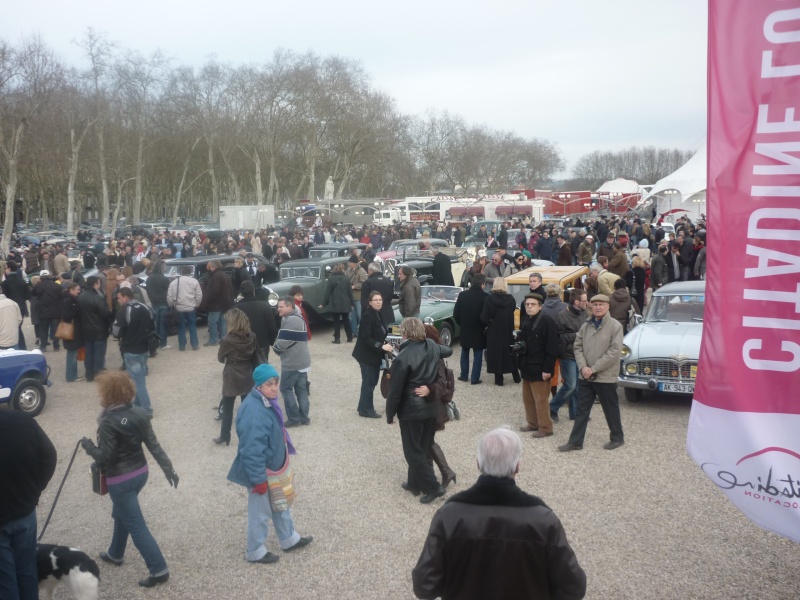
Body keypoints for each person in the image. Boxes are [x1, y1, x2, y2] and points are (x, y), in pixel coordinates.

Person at [412, 428, 586, 600]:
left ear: (478, 464)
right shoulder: (543, 520)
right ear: (517, 466)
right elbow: (574, 588)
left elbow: (425, 587)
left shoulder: (449, 515)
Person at [80, 371, 179, 588]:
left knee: (136, 524)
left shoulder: (107, 421)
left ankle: (158, 569)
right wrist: (168, 469)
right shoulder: (140, 413)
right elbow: (154, 445)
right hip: (140, 473)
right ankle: (116, 552)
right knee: (122, 513)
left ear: (107, 393)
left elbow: (107, 458)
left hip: (120, 480)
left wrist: (88, 447)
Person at [227, 363, 313, 564]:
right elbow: (251, 450)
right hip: (261, 471)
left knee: (280, 502)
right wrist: (258, 480)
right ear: (258, 386)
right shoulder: (254, 412)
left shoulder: (267, 401)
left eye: (276, 382)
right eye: (269, 384)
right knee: (260, 512)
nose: (274, 388)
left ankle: (288, 538)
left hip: (273, 468)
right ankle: (255, 550)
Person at [386, 317, 453, 504]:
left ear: (405, 333)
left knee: (412, 451)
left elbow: (395, 391)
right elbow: (448, 350)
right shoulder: (432, 346)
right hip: (430, 407)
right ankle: (414, 483)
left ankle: (433, 487)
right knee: (422, 447)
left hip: (412, 410)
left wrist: (390, 414)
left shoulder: (403, 357)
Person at [0, 410, 57, 600]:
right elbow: (49, 455)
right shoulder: (21, 419)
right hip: (25, 512)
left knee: (5, 581)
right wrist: (34, 491)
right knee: (26, 571)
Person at [559, 294, 625, 452]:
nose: (598, 307)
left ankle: (617, 437)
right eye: (595, 304)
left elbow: (614, 352)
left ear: (608, 306)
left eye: (601, 304)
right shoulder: (585, 325)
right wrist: (583, 367)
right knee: (582, 410)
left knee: (610, 408)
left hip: (605, 377)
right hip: (585, 376)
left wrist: (593, 369)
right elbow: (578, 347)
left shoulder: (615, 326)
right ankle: (575, 441)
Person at [418, 325, 457, 488]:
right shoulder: (425, 353)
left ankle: (445, 472)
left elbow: (441, 382)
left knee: (427, 441)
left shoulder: (436, 357)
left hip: (433, 405)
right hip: (428, 405)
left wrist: (430, 389)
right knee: (425, 441)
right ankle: (433, 473)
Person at [214, 308, 260, 446]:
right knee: (247, 407)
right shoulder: (252, 336)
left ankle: (224, 436)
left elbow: (220, 358)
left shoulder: (227, 340)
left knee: (228, 406)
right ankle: (248, 435)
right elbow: (255, 353)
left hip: (232, 373)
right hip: (247, 371)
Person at [517, 293, 559, 438]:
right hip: (527, 365)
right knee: (528, 398)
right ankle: (533, 423)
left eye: (532, 304)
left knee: (541, 400)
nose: (529, 307)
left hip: (540, 368)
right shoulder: (526, 319)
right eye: (527, 304)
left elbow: (552, 347)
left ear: (540, 306)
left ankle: (546, 428)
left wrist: (548, 369)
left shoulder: (547, 321)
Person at [113, 288, 156, 417]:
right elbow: (153, 323)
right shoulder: (145, 307)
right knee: (139, 379)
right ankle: (136, 406)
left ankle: (147, 409)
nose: (118, 300)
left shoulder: (125, 311)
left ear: (125, 297)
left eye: (119, 298)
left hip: (131, 349)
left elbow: (116, 332)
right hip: (144, 348)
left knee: (138, 382)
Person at [352, 291, 394, 418]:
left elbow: (381, 333)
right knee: (369, 383)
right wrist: (381, 346)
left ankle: (363, 407)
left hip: (373, 355)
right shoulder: (368, 316)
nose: (378, 302)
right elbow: (365, 338)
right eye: (375, 300)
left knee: (370, 382)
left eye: (380, 300)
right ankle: (366, 410)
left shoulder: (378, 314)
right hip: (366, 356)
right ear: (369, 302)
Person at [550, 288, 588, 423]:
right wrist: (575, 335)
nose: (587, 303)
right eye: (584, 300)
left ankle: (575, 413)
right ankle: (552, 407)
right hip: (567, 355)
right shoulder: (561, 316)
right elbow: (558, 337)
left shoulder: (585, 313)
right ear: (576, 302)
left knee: (578, 385)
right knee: (571, 385)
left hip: (581, 354)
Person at [273, 297, 311, 427]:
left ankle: (294, 418)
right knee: (301, 390)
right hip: (302, 362)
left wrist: (276, 349)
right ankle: (304, 417)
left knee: (286, 388)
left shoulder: (291, 320)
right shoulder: (298, 318)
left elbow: (282, 342)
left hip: (292, 362)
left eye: (281, 306)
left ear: (290, 307)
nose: (278, 309)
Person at [481, 277, 519, 386]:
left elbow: (484, 316)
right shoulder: (511, 299)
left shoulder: (489, 299)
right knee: (511, 352)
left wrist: (489, 322)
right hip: (508, 328)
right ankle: (516, 376)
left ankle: (499, 379)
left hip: (494, 330)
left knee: (496, 353)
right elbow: (512, 310)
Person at [453, 273, 487, 385]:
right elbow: (486, 315)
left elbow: (456, 313)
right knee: (478, 354)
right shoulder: (485, 297)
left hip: (465, 327)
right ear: (482, 284)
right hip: (479, 328)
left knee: (464, 352)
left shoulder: (463, 295)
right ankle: (475, 378)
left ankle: (464, 375)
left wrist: (461, 323)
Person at [78, 276, 112, 382]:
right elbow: (104, 313)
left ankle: (89, 374)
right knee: (99, 354)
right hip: (99, 329)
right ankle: (98, 374)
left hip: (86, 329)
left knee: (89, 353)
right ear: (95, 284)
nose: (99, 285)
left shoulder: (81, 296)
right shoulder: (97, 297)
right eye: (98, 283)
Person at [236, 280, 278, 362]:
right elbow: (272, 327)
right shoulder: (265, 306)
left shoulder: (236, 308)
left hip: (243, 344)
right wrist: (271, 341)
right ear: (254, 291)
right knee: (262, 368)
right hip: (262, 343)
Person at [167, 265, 204, 351]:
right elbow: (199, 295)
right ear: (190, 272)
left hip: (179, 307)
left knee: (181, 327)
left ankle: (182, 345)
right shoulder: (194, 281)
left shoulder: (173, 283)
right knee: (192, 326)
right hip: (191, 306)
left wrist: (171, 305)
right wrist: (197, 304)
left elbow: (169, 296)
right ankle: (194, 345)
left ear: (181, 272)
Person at [198, 259, 234, 346]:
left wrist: (205, 303)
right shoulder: (223, 275)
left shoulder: (216, 277)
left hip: (215, 305)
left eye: (210, 267)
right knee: (223, 322)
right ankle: (223, 339)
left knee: (212, 322)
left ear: (214, 267)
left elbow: (212, 292)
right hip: (224, 303)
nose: (209, 269)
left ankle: (213, 340)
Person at [320, 262, 354, 344]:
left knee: (336, 321)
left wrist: (324, 303)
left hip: (335, 302)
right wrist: (352, 303)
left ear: (335, 269)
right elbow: (350, 292)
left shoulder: (331, 278)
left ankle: (337, 339)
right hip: (345, 302)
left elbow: (327, 292)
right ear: (343, 269)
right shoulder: (346, 278)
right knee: (346, 320)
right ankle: (350, 337)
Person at [31, 271, 63, 352]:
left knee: (43, 329)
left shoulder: (38, 286)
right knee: (55, 329)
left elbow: (33, 294)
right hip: (55, 310)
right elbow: (61, 296)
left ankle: (43, 346)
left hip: (43, 311)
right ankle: (56, 346)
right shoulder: (57, 286)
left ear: (41, 277)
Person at [2, 261, 30, 350]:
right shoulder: (22, 281)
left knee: (12, 328)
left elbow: (4, 296)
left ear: (9, 268)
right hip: (21, 307)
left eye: (6, 268)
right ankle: (22, 347)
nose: (5, 270)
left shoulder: (5, 283)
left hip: (9, 308)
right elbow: (28, 296)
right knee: (18, 327)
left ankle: (16, 347)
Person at [60, 282, 85, 382]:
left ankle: (72, 375)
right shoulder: (68, 301)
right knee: (72, 353)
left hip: (73, 330)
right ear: (71, 290)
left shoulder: (70, 300)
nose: (79, 291)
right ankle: (71, 376)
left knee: (73, 353)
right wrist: (75, 309)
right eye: (77, 290)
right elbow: (66, 317)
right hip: (71, 330)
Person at [146, 260, 172, 351]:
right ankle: (163, 343)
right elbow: (170, 291)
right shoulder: (165, 279)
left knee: (156, 325)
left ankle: (155, 343)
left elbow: (148, 291)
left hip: (154, 303)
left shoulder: (149, 278)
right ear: (162, 267)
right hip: (164, 303)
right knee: (163, 324)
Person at [346, 255, 368, 334]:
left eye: (351, 263)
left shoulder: (361, 271)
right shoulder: (348, 270)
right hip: (350, 297)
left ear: (355, 263)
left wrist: (355, 286)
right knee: (351, 316)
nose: (349, 264)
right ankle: (353, 332)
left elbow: (365, 283)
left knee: (359, 315)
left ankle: (361, 331)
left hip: (358, 297)